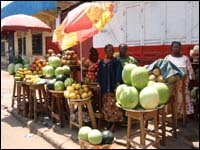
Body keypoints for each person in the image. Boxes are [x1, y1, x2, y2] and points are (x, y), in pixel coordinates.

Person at [97, 44, 123, 132]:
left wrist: (118, 83)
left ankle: (114, 124)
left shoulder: (116, 62)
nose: (111, 52)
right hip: (105, 89)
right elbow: (99, 74)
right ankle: (108, 122)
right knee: (106, 107)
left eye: (112, 50)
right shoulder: (101, 63)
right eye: (109, 50)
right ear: (105, 51)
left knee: (114, 107)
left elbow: (119, 73)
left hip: (113, 88)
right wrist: (98, 84)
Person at [164, 41, 195, 116]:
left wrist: (191, 81)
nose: (176, 48)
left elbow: (190, 70)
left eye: (177, 47)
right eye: (174, 47)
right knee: (171, 99)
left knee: (183, 99)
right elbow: (163, 70)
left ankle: (182, 114)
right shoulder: (168, 58)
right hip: (171, 85)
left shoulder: (185, 58)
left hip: (183, 86)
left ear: (180, 48)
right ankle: (172, 114)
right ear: (171, 48)